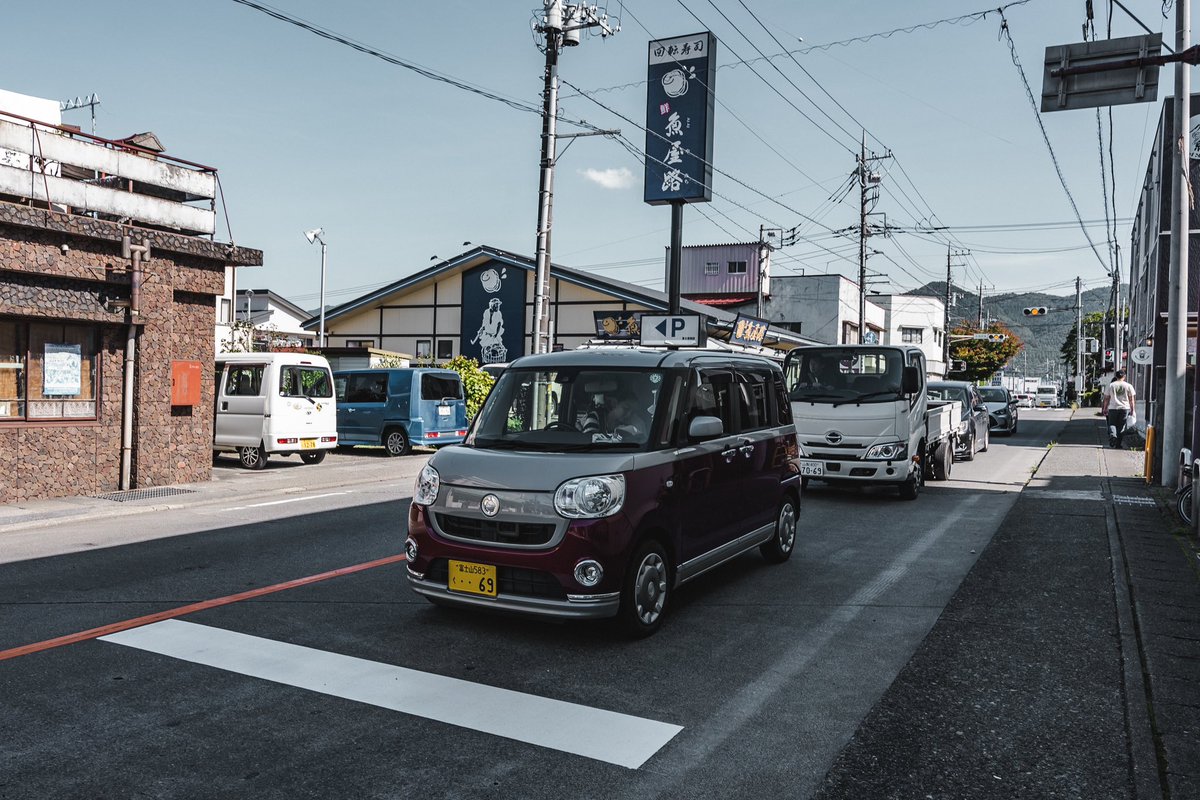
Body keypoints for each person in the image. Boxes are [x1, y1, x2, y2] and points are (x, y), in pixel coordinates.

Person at [1100, 369, 1137, 449]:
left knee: (1112, 424)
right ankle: (1118, 444)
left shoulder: (1111, 385)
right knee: (1121, 426)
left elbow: (1106, 398)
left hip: (1113, 408)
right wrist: (1132, 410)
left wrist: (1105, 408)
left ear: (1116, 376)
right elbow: (1131, 399)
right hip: (1125, 408)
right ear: (1124, 376)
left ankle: (1113, 435)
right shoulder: (1128, 386)